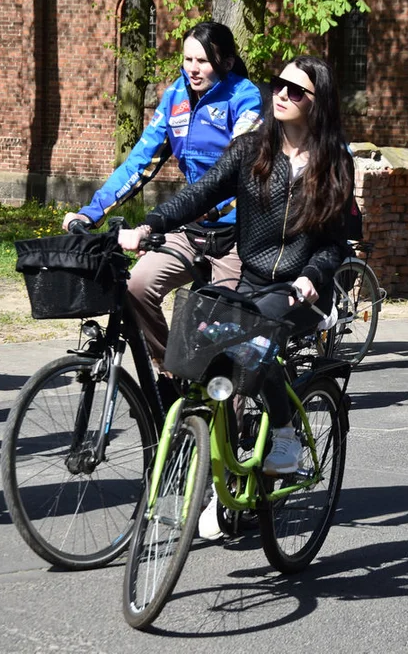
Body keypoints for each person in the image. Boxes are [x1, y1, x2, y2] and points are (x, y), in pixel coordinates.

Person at [119, 55, 353, 477]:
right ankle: (220, 471)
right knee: (209, 344)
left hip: (302, 290)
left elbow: (334, 245)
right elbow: (201, 193)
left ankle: (284, 433)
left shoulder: (334, 162)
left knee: (253, 339)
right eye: (279, 84)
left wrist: (311, 278)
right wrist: (150, 223)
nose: (281, 94)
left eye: (295, 90)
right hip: (253, 281)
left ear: (317, 103)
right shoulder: (251, 149)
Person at [63, 22, 261, 366]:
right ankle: (170, 373)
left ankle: (229, 405)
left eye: (203, 61)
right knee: (135, 287)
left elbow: (239, 169)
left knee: (221, 335)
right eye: (188, 60)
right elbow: (139, 162)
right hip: (191, 227)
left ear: (227, 63)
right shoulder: (175, 99)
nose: (194, 69)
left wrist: (210, 210)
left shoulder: (245, 97)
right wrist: (91, 213)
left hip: (235, 232)